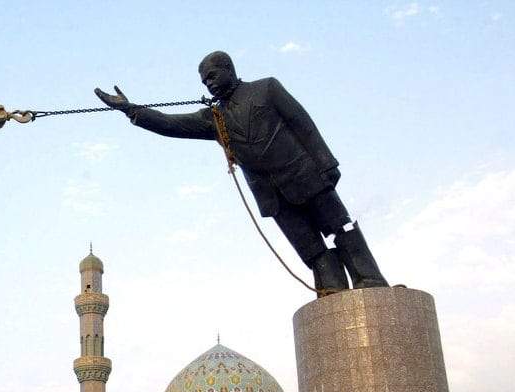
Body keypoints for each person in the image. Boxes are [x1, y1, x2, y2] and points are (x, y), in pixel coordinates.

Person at [94, 51, 389, 296]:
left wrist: (327, 163)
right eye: (204, 80)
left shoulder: (267, 88)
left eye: (212, 75)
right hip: (271, 195)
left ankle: (369, 278)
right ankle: (332, 288)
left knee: (341, 227)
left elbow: (303, 124)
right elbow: (171, 124)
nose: (209, 83)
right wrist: (129, 109)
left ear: (228, 69)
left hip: (304, 175)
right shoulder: (214, 118)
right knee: (310, 247)